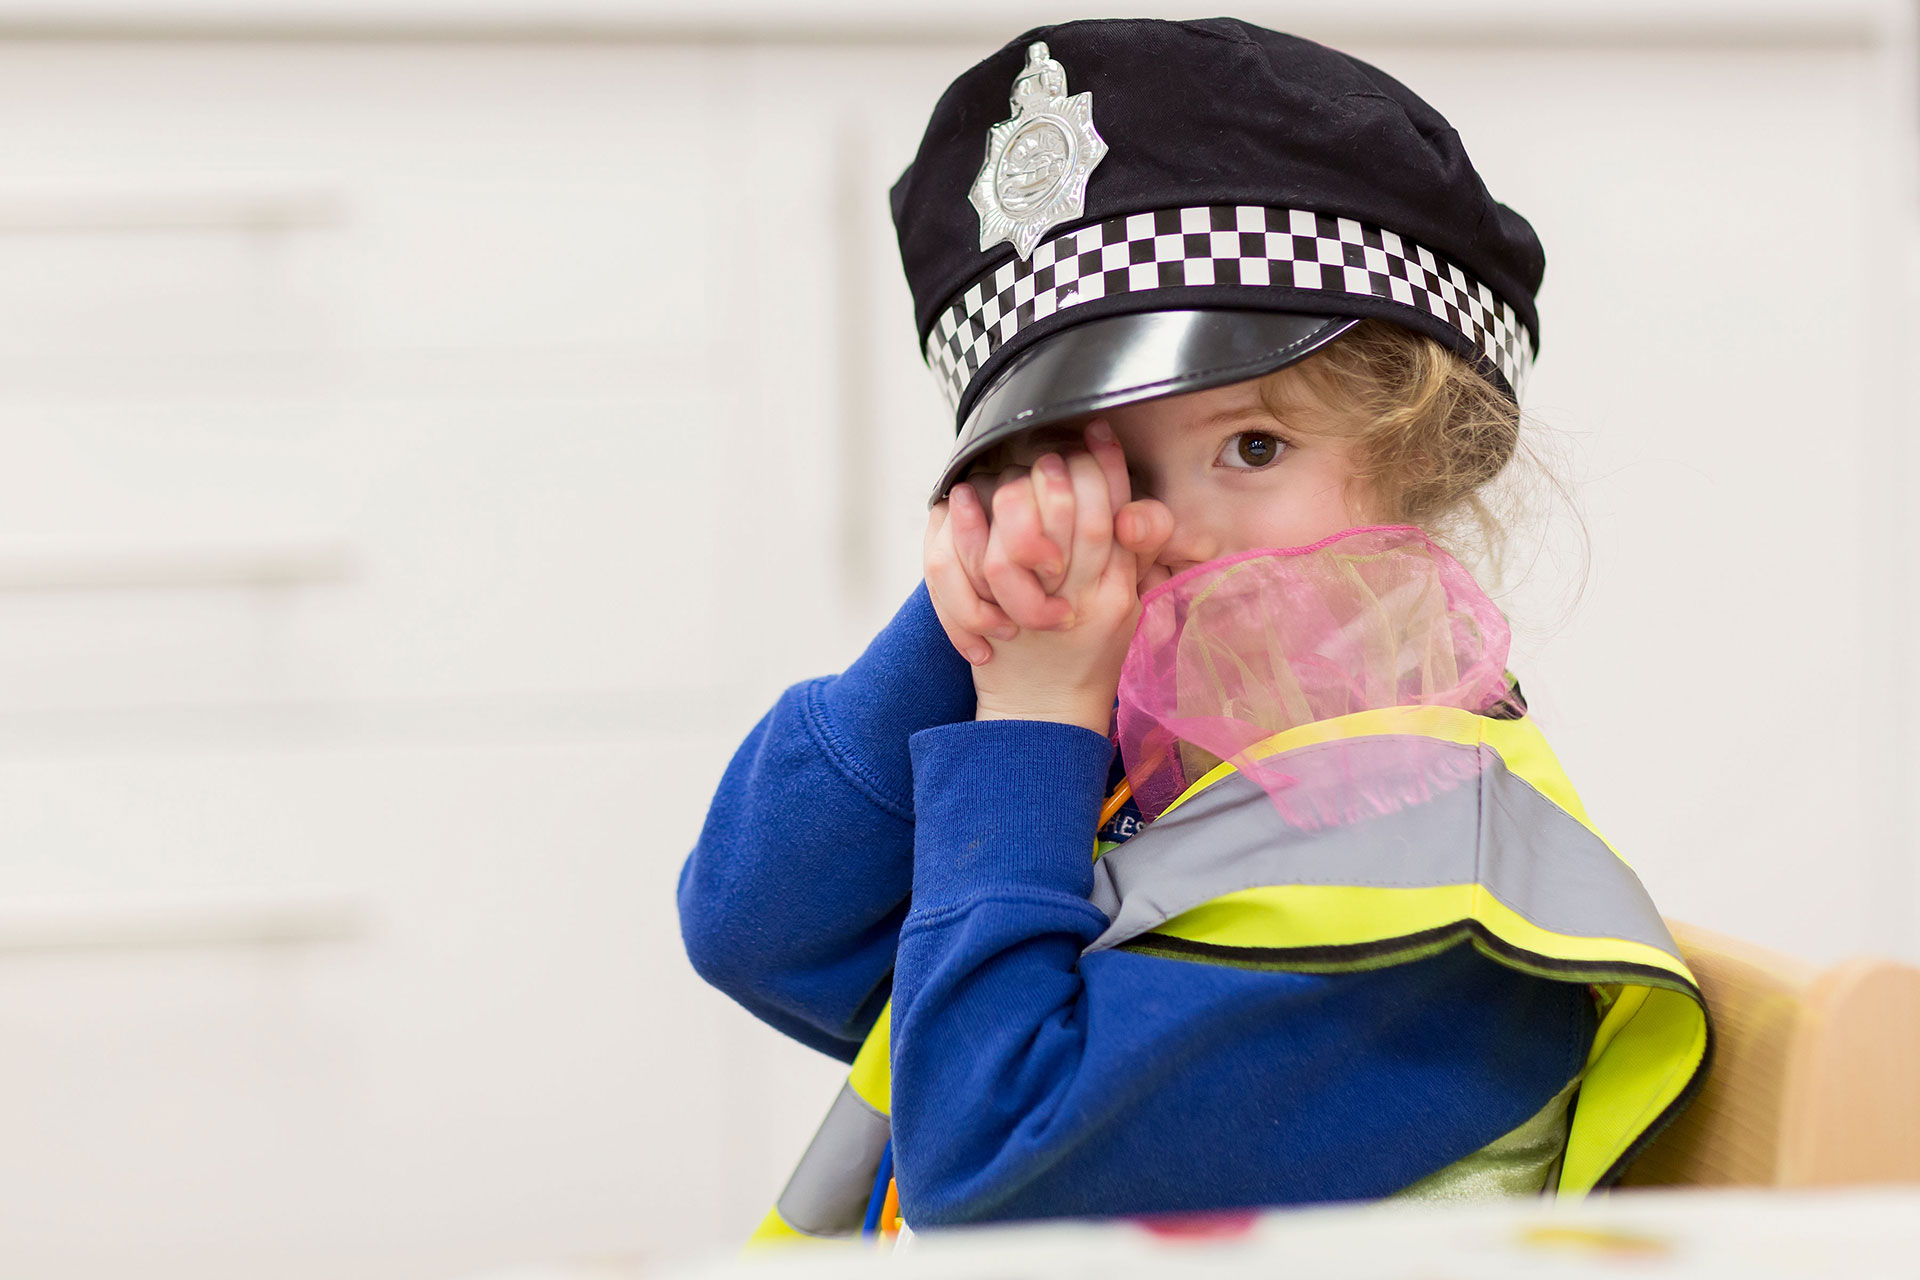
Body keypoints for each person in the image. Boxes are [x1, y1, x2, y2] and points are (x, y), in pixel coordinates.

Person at [677, 18, 1710, 1243]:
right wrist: (980, 615)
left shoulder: (1436, 885)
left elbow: (993, 1188)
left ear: (1419, 464)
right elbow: (758, 925)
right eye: (1088, 463)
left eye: (1253, 446)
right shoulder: (1145, 768)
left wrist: (1029, 717)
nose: (1158, 526)